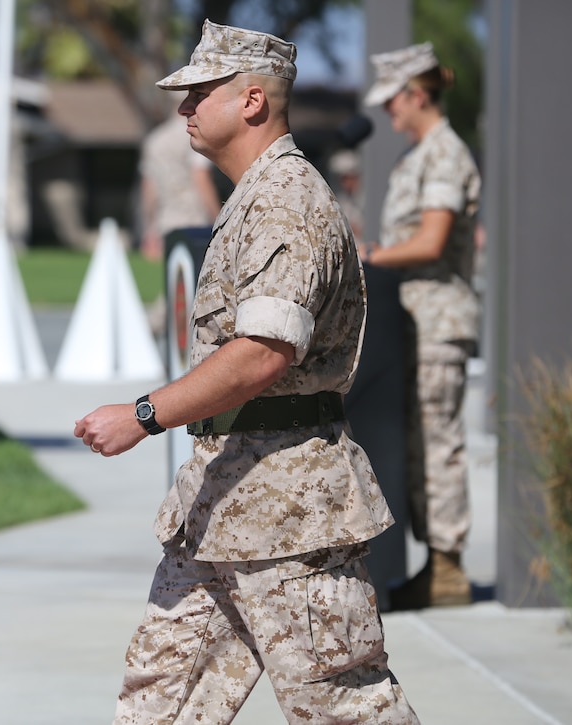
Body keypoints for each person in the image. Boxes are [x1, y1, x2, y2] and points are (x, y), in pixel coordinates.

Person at [74, 19, 420, 725]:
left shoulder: (287, 202)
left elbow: (264, 351)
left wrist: (144, 415)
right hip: (222, 502)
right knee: (158, 703)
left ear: (253, 100)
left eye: (201, 92)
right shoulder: (252, 198)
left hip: (289, 512)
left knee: (340, 708)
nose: (185, 109)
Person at [358, 42, 481, 611]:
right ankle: (434, 562)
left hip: (438, 319)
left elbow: (431, 241)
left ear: (415, 93)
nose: (389, 114)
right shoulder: (418, 156)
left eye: (393, 102)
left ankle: (448, 566)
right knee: (416, 445)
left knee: (437, 443)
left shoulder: (445, 154)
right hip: (412, 320)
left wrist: (373, 255)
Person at [138, 114, 222, 261]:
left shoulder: (155, 139)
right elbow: (201, 178)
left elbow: (149, 189)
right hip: (195, 219)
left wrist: (150, 227)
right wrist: (219, 219)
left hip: (165, 220)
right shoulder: (195, 135)